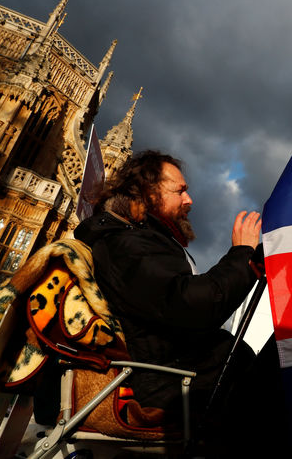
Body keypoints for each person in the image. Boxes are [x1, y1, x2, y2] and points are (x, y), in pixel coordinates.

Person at [74, 150, 261, 424]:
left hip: (173, 373)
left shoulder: (143, 242)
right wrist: (241, 255)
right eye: (180, 190)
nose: (189, 200)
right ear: (148, 193)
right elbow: (192, 305)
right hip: (160, 382)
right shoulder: (127, 245)